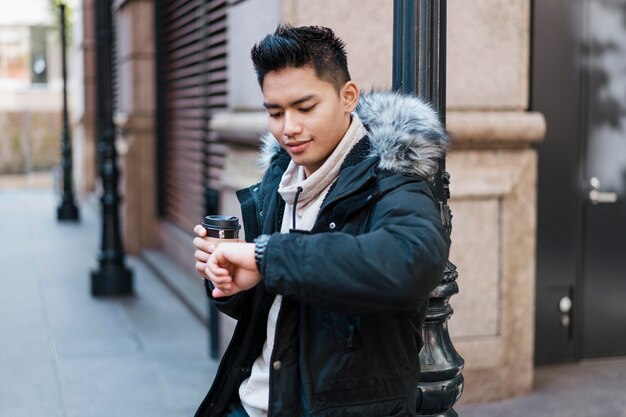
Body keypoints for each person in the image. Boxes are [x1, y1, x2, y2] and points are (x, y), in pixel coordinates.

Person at [192, 24, 450, 417]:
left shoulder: (392, 180)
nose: (288, 128)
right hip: (250, 401)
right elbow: (279, 312)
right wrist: (234, 285)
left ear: (348, 96)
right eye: (275, 113)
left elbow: (410, 261)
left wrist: (266, 258)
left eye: (305, 107)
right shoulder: (278, 181)